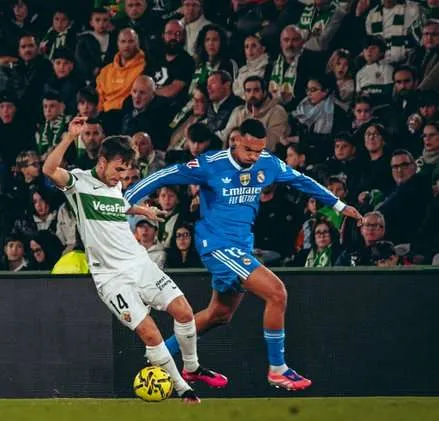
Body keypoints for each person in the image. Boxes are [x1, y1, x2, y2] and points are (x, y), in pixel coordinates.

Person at [124, 118, 363, 390]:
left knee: (219, 314)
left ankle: (161, 357)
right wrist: (125, 199)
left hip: (241, 246)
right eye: (249, 150)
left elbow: (301, 180)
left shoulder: (267, 164)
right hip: (217, 245)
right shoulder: (211, 164)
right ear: (235, 141)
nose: (253, 157)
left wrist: (339, 206)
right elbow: (165, 175)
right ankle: (278, 370)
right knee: (277, 293)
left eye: (259, 151)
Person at [43, 116, 227, 404]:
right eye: (117, 169)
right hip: (111, 278)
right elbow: (49, 169)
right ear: (102, 162)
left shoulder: (115, 186)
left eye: (125, 170)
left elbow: (119, 205)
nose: (120, 177)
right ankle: (183, 389)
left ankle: (192, 369)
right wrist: (69, 137)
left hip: (139, 264)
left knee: (184, 311)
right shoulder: (79, 182)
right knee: (150, 334)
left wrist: (143, 211)